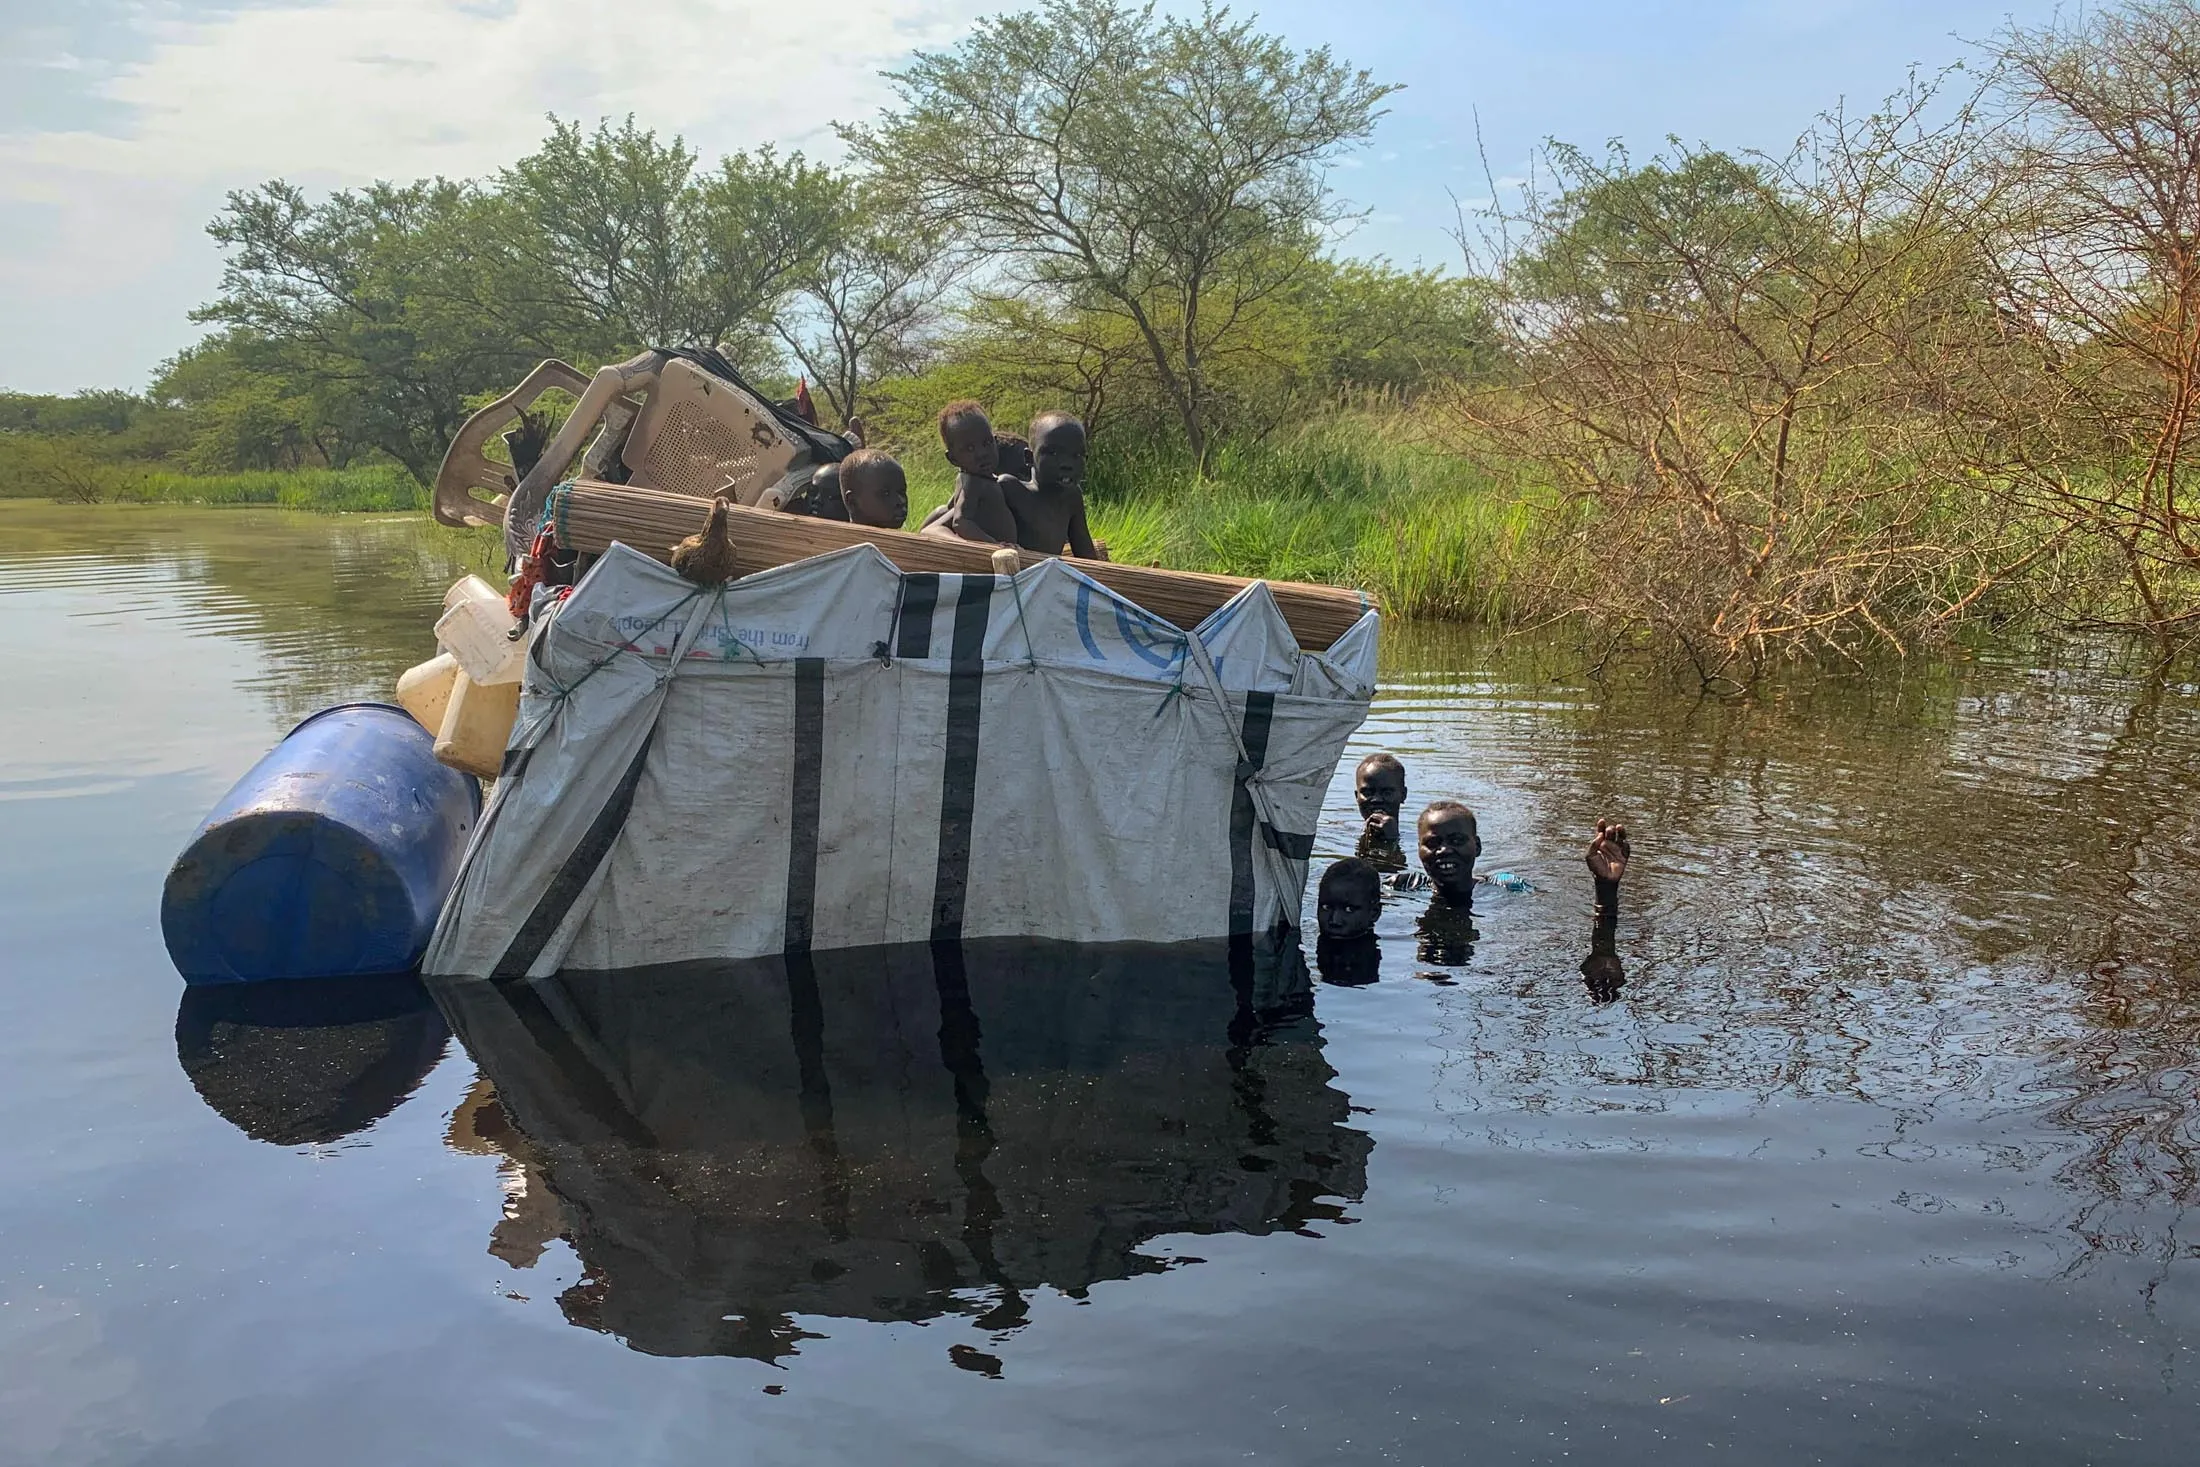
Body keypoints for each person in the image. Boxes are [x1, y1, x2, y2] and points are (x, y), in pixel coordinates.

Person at [921, 401, 1019, 545]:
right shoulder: (974, 482)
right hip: (992, 556)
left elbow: (950, 507)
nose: (981, 454)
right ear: (953, 459)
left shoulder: (979, 480)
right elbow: (961, 521)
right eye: (969, 448)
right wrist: (993, 545)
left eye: (987, 443)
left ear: (995, 441)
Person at [1005, 411, 1101, 559]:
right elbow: (958, 519)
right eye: (1053, 453)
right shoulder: (1011, 490)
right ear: (1029, 457)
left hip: (1048, 579)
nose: (1067, 464)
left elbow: (1086, 555)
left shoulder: (1071, 498)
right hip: (1010, 576)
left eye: (1077, 456)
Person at [837, 449, 909, 529]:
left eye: (902, 492)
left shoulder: (903, 540)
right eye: (885, 493)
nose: (901, 501)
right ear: (852, 501)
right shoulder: (832, 540)